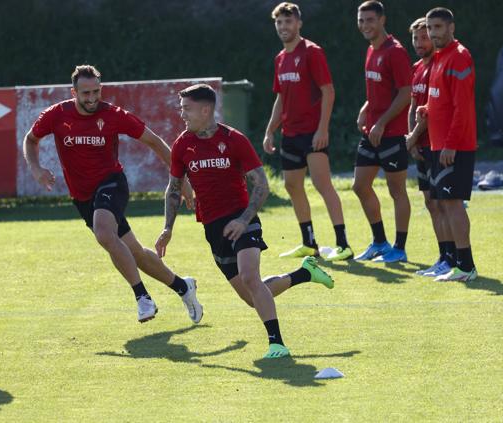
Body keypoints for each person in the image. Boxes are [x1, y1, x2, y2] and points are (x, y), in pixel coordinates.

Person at [155, 84, 334, 359]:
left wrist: (243, 219)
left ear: (205, 110)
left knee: (251, 277)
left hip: (243, 219)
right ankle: (304, 273)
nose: (183, 115)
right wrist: (168, 228)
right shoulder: (182, 144)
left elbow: (261, 185)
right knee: (253, 297)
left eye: (187, 109)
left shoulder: (234, 140)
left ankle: (277, 344)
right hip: (213, 229)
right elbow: (175, 188)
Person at [23, 65, 203, 323]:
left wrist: (180, 180)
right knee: (135, 252)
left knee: (104, 233)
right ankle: (183, 287)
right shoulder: (56, 115)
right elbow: (31, 140)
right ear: (73, 92)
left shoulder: (114, 115)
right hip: (83, 196)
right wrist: (36, 167)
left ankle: (142, 297)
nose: (92, 98)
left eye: (96, 91)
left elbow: (155, 142)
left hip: (112, 183)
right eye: (85, 93)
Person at [263, 2, 353, 261]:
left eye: (288, 22)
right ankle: (309, 243)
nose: (283, 27)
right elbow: (280, 98)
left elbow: (328, 91)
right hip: (289, 134)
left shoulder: (312, 52)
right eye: (279, 22)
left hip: (313, 133)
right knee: (292, 185)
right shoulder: (280, 58)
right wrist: (270, 131)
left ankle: (343, 244)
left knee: (322, 184)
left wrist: (322, 129)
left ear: (298, 23)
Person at [420, 7, 477, 282]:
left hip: (454, 147)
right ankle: (455, 263)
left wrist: (451, 144)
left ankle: (466, 266)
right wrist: (427, 109)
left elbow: (462, 107)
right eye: (430, 28)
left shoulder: (460, 56)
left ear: (451, 27)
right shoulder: (439, 57)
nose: (433, 34)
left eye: (438, 28)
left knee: (454, 204)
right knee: (444, 204)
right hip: (438, 145)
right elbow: (441, 99)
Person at [353, 0, 412, 263]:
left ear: (382, 20)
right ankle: (379, 241)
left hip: (391, 134)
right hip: (371, 132)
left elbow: (405, 94)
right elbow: (380, 89)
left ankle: (399, 248)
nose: (365, 25)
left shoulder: (395, 52)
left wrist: (382, 123)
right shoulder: (370, 50)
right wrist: (366, 108)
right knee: (360, 186)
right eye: (361, 20)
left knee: (397, 191)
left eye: (370, 20)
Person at [405, 17, 455, 277]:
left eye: (424, 37)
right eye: (415, 38)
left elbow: (430, 111)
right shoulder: (417, 67)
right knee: (431, 203)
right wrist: (410, 138)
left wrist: (412, 137)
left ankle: (453, 258)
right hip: (420, 146)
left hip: (435, 143)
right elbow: (413, 106)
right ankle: (442, 256)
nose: (419, 42)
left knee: (443, 203)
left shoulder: (438, 65)